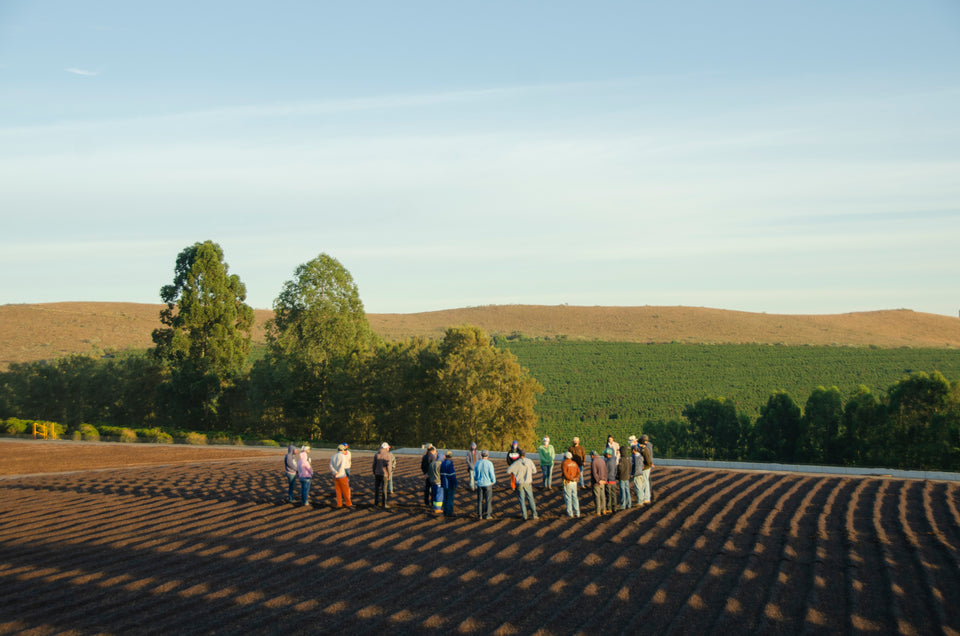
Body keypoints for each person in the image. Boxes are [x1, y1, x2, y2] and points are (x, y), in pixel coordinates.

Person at [506, 449, 538, 520]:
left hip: (519, 483)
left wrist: (515, 473)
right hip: (528, 483)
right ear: (525, 455)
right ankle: (534, 515)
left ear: (519, 455)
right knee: (531, 498)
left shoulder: (516, 463)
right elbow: (535, 471)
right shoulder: (529, 461)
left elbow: (508, 471)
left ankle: (524, 516)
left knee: (522, 499)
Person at [474, 450, 496, 519]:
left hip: (480, 484)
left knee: (480, 500)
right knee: (488, 500)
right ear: (487, 455)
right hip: (488, 484)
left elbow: (475, 474)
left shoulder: (477, 463)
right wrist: (493, 481)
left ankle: (480, 515)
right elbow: (492, 474)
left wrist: (476, 480)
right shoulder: (489, 463)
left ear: (481, 455)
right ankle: (488, 515)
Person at [330, 443, 352, 508]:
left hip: (335, 476)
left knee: (338, 491)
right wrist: (339, 472)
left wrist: (334, 472)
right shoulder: (342, 456)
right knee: (345, 491)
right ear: (342, 450)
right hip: (342, 475)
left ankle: (339, 504)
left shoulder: (333, 456)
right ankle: (348, 503)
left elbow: (330, 465)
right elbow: (342, 465)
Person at [372, 442, 393, 508]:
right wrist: (389, 474)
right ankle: (384, 504)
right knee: (384, 489)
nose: (388, 449)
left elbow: (374, 465)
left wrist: (374, 472)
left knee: (377, 489)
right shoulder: (388, 455)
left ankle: (376, 504)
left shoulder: (376, 454)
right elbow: (389, 466)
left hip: (377, 474)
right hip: (384, 474)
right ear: (386, 448)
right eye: (388, 448)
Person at [561, 451, 581, 518]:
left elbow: (565, 473)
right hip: (574, 483)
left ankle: (570, 513)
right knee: (575, 497)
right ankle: (577, 513)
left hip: (568, 482)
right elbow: (578, 472)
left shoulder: (564, 463)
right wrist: (576, 478)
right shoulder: (574, 463)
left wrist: (571, 478)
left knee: (568, 497)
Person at [440, 450, 458, 517]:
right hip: (450, 484)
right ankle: (449, 512)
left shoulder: (442, 463)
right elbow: (452, 475)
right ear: (451, 456)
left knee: (445, 497)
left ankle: (444, 511)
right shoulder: (450, 464)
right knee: (450, 498)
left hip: (444, 483)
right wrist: (455, 483)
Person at [590, 450, 607, 516]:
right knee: (602, 496)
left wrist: (598, 480)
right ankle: (604, 510)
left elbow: (594, 473)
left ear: (592, 455)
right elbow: (606, 471)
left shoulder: (594, 462)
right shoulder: (602, 461)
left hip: (597, 483)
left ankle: (598, 511)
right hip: (603, 481)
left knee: (597, 496)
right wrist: (604, 480)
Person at [640, 434, 655, 505]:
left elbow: (648, 457)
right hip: (647, 466)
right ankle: (646, 496)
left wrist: (649, 463)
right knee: (646, 481)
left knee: (645, 481)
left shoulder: (645, 448)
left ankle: (646, 497)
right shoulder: (648, 446)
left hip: (646, 466)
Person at [617, 445, 632, 510]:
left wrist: (617, 475)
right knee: (627, 490)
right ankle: (629, 504)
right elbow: (630, 467)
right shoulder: (628, 458)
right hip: (627, 476)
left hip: (622, 477)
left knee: (622, 490)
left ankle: (623, 505)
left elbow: (620, 469)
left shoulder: (621, 459)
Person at [429, 450, 444, 514]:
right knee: (439, 496)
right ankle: (438, 509)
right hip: (439, 482)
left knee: (434, 495)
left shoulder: (432, 463)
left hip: (432, 482)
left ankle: (434, 507)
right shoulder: (440, 464)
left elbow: (429, 473)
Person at [604, 448, 619, 513]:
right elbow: (616, 471)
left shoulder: (607, 462)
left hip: (608, 480)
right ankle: (614, 507)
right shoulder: (614, 461)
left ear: (608, 454)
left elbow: (605, 471)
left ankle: (609, 508)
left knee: (608, 495)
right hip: (613, 480)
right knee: (614, 495)